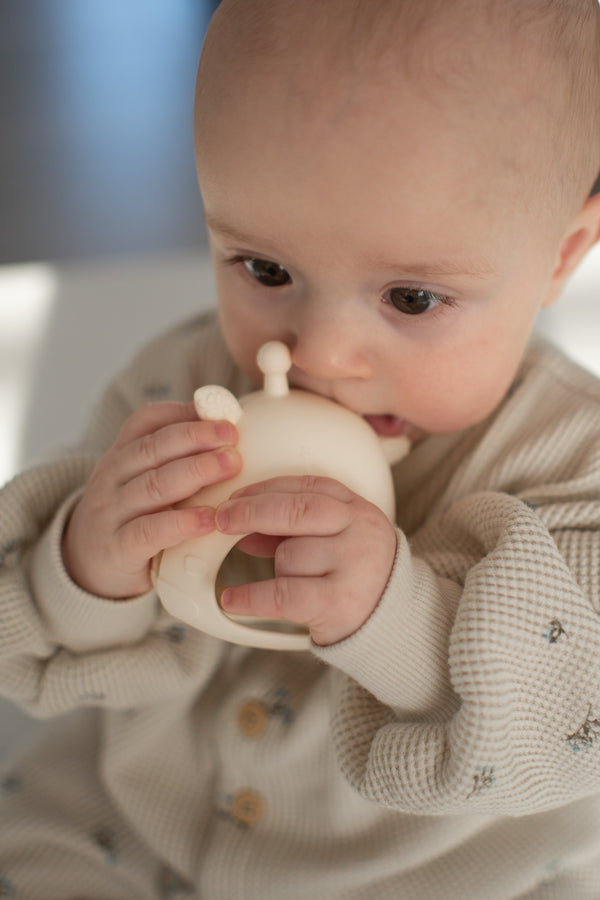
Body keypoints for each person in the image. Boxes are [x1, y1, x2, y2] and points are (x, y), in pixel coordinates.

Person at [1, 0, 600, 896]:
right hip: (137, 817)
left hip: (429, 872)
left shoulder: (566, 458)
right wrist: (90, 564)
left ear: (562, 256)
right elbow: (50, 647)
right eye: (267, 271)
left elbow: (567, 718)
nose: (317, 354)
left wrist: (392, 615)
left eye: (410, 299)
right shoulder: (181, 383)